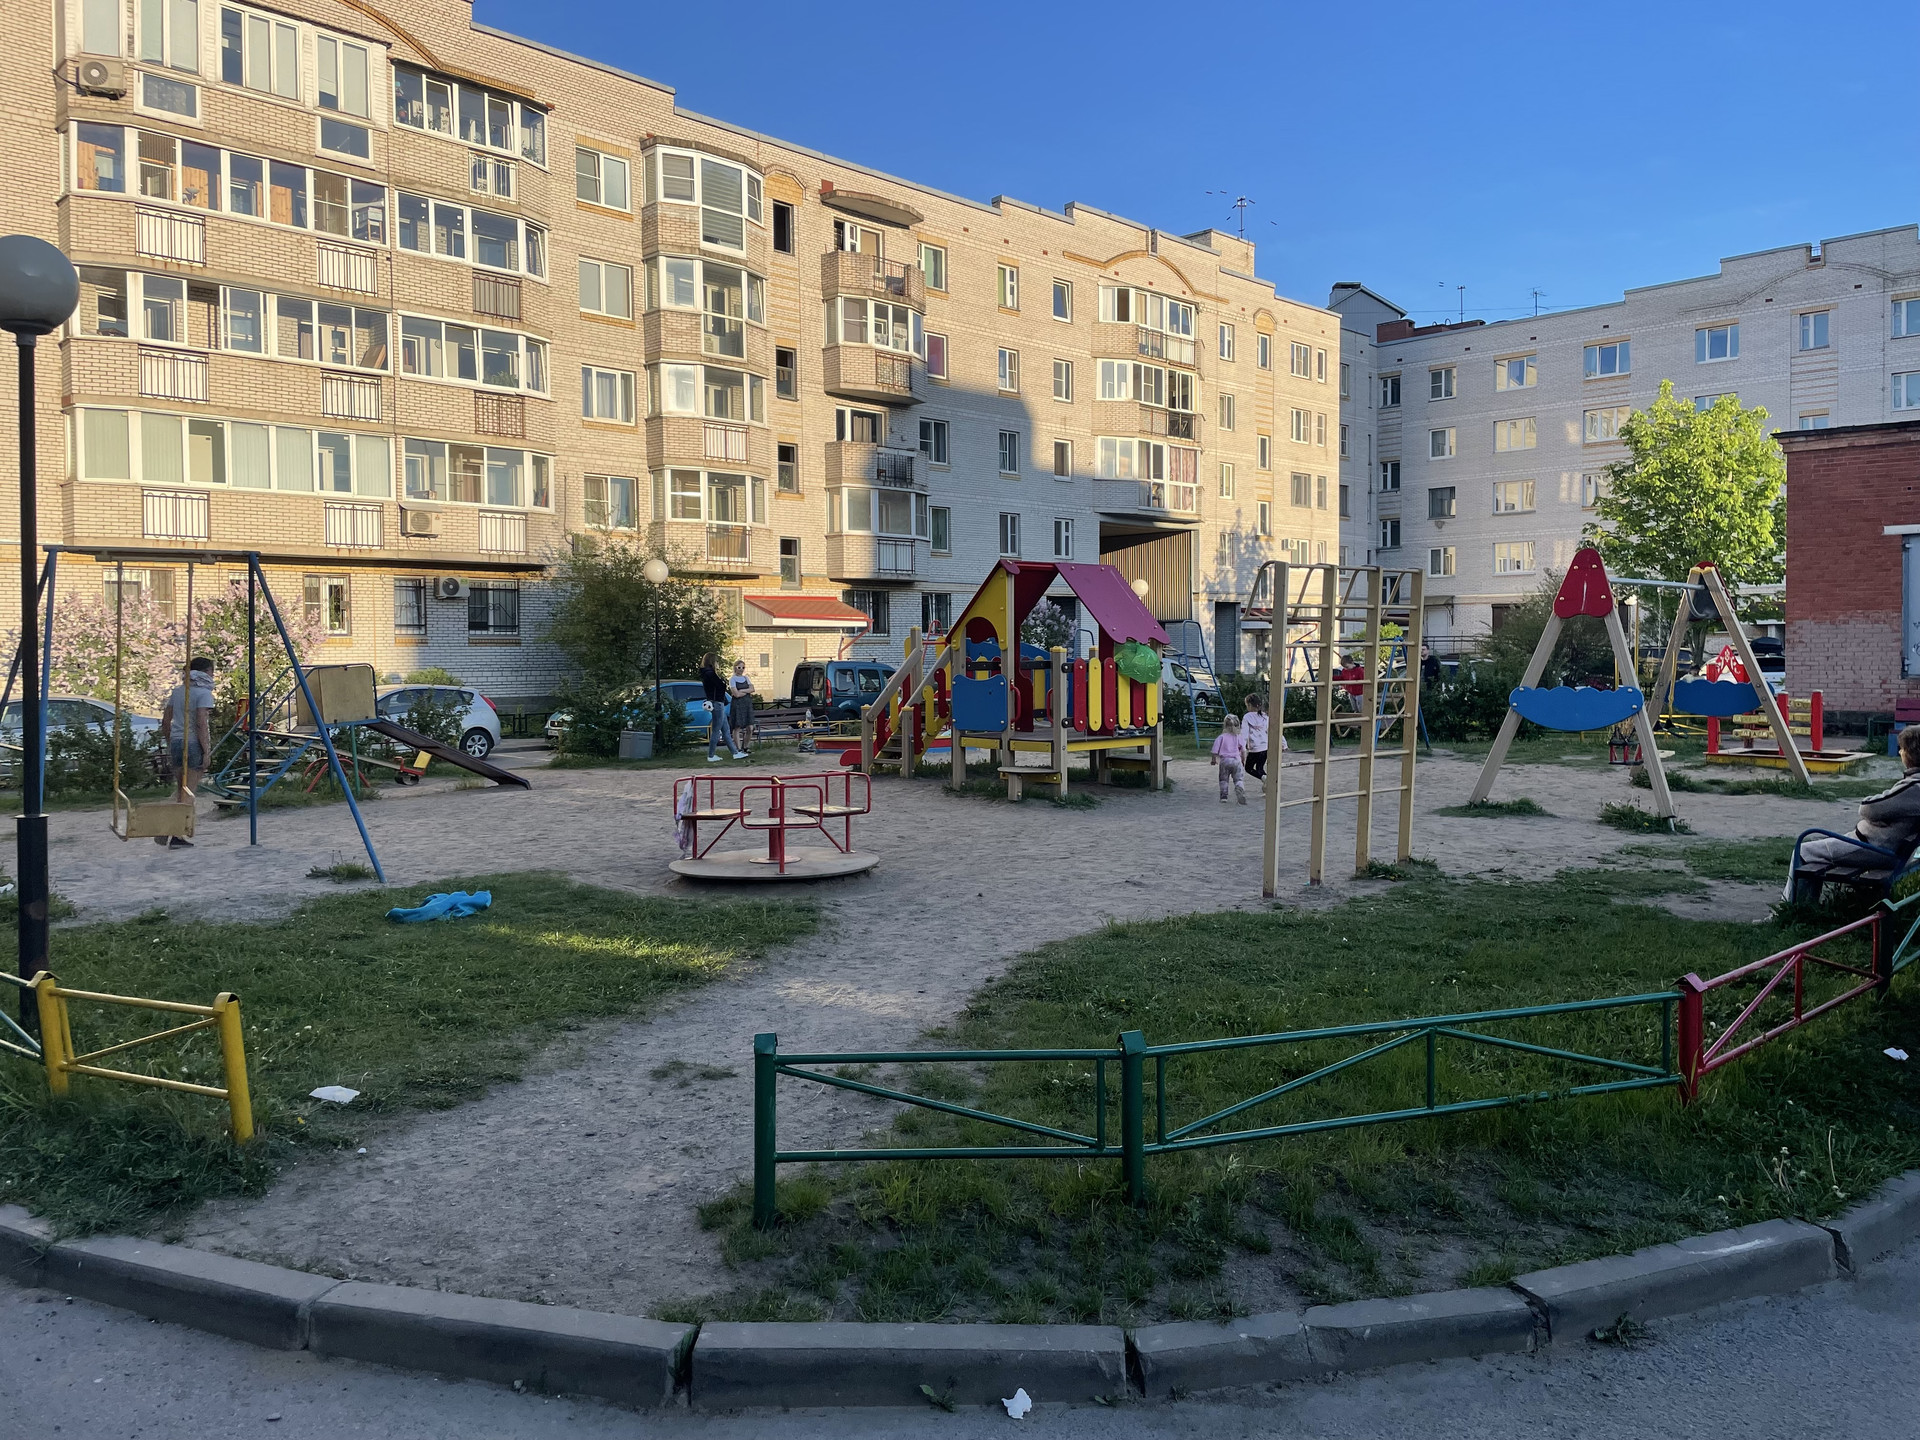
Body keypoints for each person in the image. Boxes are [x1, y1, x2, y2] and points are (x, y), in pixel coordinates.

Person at [1785, 726, 1920, 901]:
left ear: (1911, 754)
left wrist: (1878, 819)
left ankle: (1791, 907)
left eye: (1902, 749)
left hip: (1875, 847)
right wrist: (1882, 819)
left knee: (1803, 851)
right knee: (1818, 849)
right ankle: (1805, 905)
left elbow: (1868, 807)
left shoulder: (1913, 787)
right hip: (1891, 847)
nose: (1900, 752)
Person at [156, 656, 215, 848]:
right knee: (188, 791)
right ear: (206, 672)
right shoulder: (204, 693)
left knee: (180, 788)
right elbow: (201, 723)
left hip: (176, 741)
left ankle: (169, 829)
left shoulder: (178, 692)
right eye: (211, 671)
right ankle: (173, 832)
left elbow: (166, 721)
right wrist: (206, 751)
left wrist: (170, 740)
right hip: (193, 743)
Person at [699, 653, 739, 762]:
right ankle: (711, 755)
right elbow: (720, 686)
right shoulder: (711, 673)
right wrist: (723, 682)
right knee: (716, 730)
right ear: (713, 662)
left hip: (716, 702)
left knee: (725, 729)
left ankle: (735, 753)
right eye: (716, 661)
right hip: (717, 702)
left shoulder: (706, 673)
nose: (717, 664)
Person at [1211, 713, 1248, 805]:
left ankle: (1224, 797)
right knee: (1238, 779)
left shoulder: (1221, 737)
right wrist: (1243, 760)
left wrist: (1214, 760)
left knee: (1223, 779)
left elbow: (1214, 751)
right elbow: (1243, 751)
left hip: (1225, 761)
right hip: (1236, 761)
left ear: (1225, 725)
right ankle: (1240, 789)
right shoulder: (1239, 737)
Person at [1242, 695, 1270, 793]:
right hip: (1265, 747)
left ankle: (1266, 780)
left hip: (1255, 748)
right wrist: (1284, 743)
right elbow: (1271, 730)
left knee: (1248, 768)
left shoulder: (1247, 717)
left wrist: (1242, 746)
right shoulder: (1265, 716)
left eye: (1247, 705)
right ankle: (1267, 785)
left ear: (1250, 705)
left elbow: (1244, 733)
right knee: (1259, 768)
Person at [728, 660, 756, 756]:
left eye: (743, 667)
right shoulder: (732, 679)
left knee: (750, 727)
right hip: (738, 705)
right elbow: (736, 694)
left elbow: (752, 689)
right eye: (739, 667)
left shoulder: (746, 678)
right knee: (737, 726)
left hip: (747, 704)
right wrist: (746, 691)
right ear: (735, 667)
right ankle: (738, 749)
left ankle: (745, 746)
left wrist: (742, 690)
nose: (741, 669)